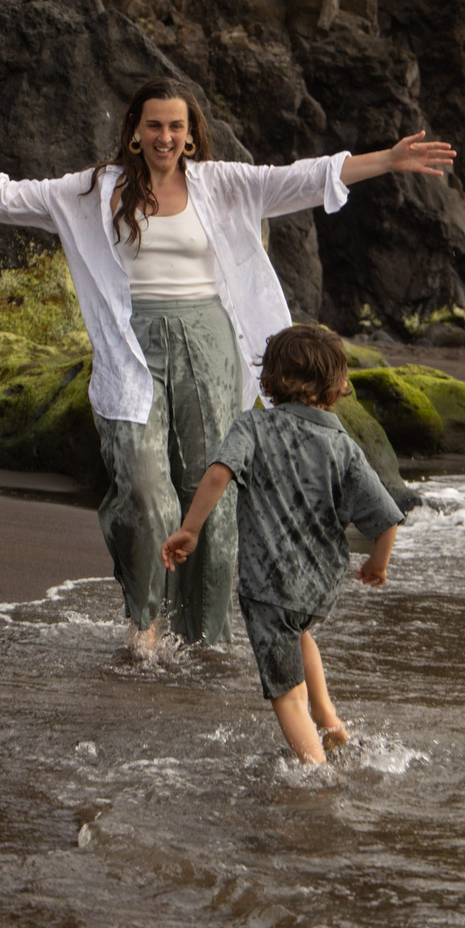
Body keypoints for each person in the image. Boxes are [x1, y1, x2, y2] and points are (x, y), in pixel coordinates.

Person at [0, 77, 453, 654]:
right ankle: (145, 621)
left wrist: (387, 161)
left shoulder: (222, 185)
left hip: (211, 342)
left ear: (192, 134)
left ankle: (205, 636)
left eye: (177, 126)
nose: (166, 136)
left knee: (210, 493)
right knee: (146, 490)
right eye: (155, 125)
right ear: (136, 132)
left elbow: (305, 177)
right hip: (131, 346)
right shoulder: (93, 192)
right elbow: (9, 195)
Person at [160, 324, 406, 764]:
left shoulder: (253, 425)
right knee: (300, 631)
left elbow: (219, 472)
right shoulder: (343, 446)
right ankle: (330, 723)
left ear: (271, 379)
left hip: (270, 585)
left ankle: (316, 776)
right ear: (336, 388)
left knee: (286, 698)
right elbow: (387, 519)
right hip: (319, 588)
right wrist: (377, 565)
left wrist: (191, 529)